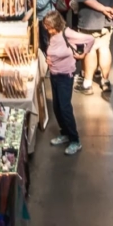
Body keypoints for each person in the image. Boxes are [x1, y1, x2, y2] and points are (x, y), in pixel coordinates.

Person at [44, 11, 94, 157]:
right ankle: (64, 133)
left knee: (65, 108)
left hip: (65, 76)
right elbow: (53, 50)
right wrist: (48, 59)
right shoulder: (52, 35)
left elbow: (90, 39)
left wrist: (84, 53)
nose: (48, 30)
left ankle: (75, 140)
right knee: (57, 107)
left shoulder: (68, 33)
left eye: (49, 27)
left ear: (56, 25)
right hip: (54, 75)